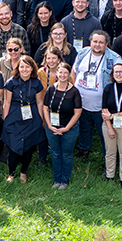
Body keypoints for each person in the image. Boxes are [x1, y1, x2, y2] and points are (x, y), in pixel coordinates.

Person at [72, 31, 122, 160]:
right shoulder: (82, 54)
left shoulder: (114, 58)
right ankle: (84, 151)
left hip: (102, 105)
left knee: (104, 133)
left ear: (106, 44)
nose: (97, 45)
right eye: (95, 41)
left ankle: (109, 157)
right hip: (81, 103)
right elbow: (74, 72)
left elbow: (120, 79)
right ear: (90, 42)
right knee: (84, 129)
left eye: (101, 42)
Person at [2, 55, 45, 183]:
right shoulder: (11, 82)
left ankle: (23, 172)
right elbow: (7, 102)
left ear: (32, 68)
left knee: (28, 147)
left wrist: (40, 119)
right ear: (18, 68)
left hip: (32, 116)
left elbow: (39, 102)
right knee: (14, 148)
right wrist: (5, 119)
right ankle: (11, 173)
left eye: (27, 67)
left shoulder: (37, 83)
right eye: (22, 66)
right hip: (15, 115)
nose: (25, 69)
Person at [41, 59, 81, 189]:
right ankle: (57, 179)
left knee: (67, 154)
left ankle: (64, 180)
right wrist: (49, 125)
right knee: (56, 153)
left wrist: (66, 128)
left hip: (69, 129)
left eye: (65, 73)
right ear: (57, 73)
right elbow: (45, 108)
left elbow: (77, 113)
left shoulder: (74, 91)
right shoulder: (51, 89)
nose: (63, 75)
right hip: (52, 128)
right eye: (60, 72)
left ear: (69, 74)